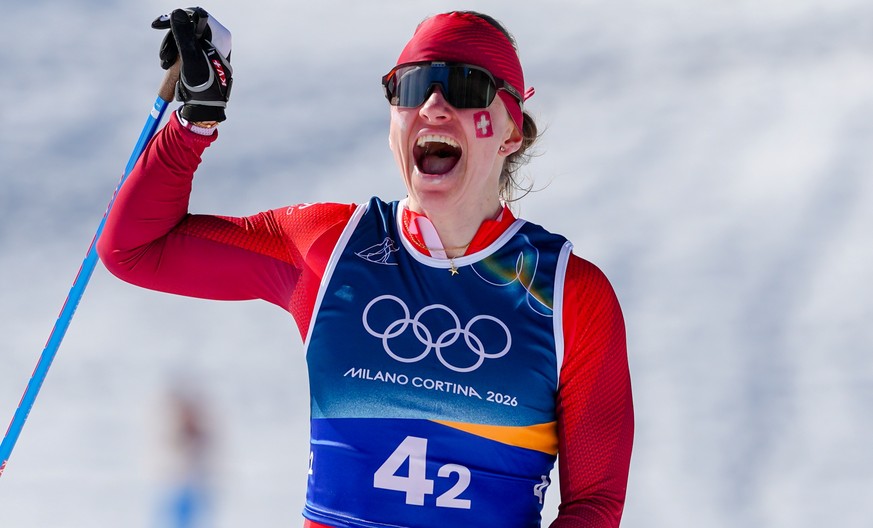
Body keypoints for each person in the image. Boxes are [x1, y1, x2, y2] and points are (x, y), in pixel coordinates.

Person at [98, 7, 634, 528]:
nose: (433, 106)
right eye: (410, 87)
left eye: (466, 87)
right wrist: (194, 121)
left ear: (510, 131)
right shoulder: (330, 249)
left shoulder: (569, 295)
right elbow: (133, 249)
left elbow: (595, 504)